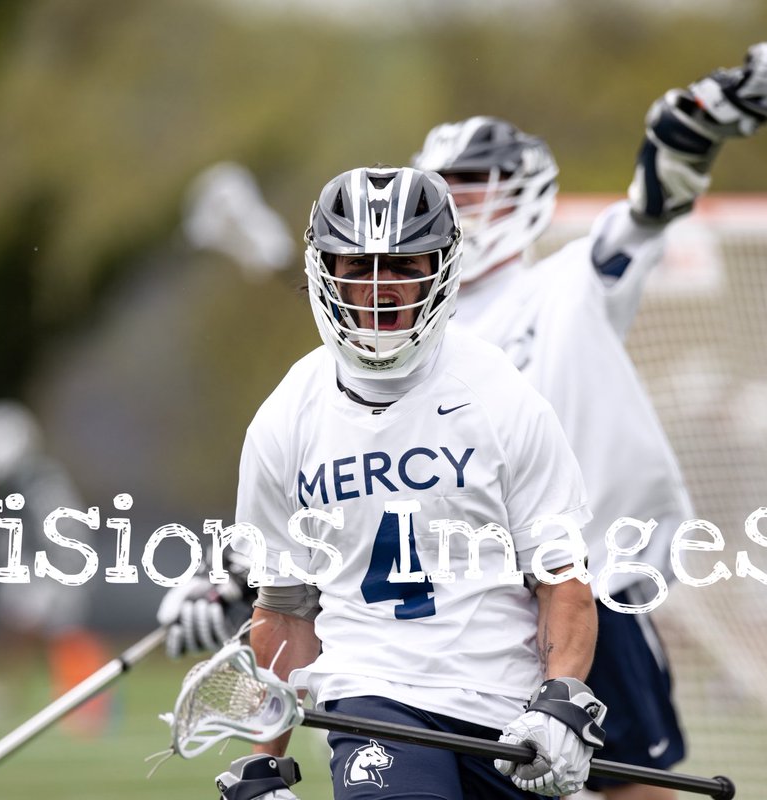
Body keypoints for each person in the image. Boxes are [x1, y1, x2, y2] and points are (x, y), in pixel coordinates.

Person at [407, 33, 767, 800]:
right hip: (465, 603)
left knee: (630, 786)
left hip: (587, 584)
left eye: (477, 182)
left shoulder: (570, 282)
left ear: (523, 188)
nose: (461, 199)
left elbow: (646, 210)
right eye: (447, 185)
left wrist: (693, 127)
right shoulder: (417, 330)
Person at [214, 166, 603, 800]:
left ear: (444, 269)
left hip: (504, 707)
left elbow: (562, 580)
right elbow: (284, 610)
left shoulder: (501, 397)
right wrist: (263, 760)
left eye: (403, 265)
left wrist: (562, 697)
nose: (377, 289)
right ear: (323, 272)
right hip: (372, 698)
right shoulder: (286, 417)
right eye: (356, 266)